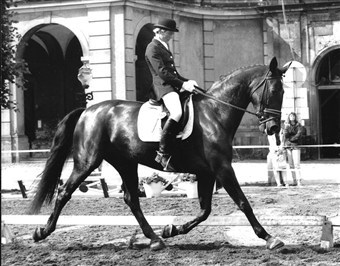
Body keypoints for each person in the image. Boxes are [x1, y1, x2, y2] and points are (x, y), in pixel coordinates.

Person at [145, 18, 198, 171]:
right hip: (162, 88)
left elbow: (173, 72)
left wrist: (188, 81)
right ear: (160, 31)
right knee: (177, 112)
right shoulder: (152, 47)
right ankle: (162, 152)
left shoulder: (163, 45)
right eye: (169, 33)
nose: (171, 36)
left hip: (172, 85)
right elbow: (162, 73)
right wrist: (182, 84)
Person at [282, 112, 303, 186]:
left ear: (295, 117)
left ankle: (299, 180)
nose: (292, 117)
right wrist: (286, 127)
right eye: (290, 116)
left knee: (297, 164)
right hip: (288, 146)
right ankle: (294, 180)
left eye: (293, 116)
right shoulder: (287, 125)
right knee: (291, 165)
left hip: (296, 145)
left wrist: (291, 139)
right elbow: (285, 135)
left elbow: (299, 134)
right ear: (289, 117)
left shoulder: (299, 125)